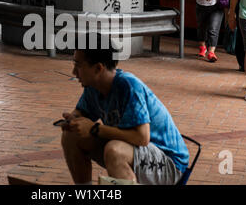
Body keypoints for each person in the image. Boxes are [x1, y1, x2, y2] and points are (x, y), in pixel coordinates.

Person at [59, 34, 189, 185]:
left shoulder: (128, 86)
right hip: (135, 151)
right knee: (71, 136)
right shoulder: (92, 87)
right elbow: (81, 113)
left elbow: (142, 137)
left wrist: (94, 129)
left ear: (98, 68)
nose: (74, 72)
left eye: (78, 65)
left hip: (169, 164)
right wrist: (72, 120)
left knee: (115, 151)